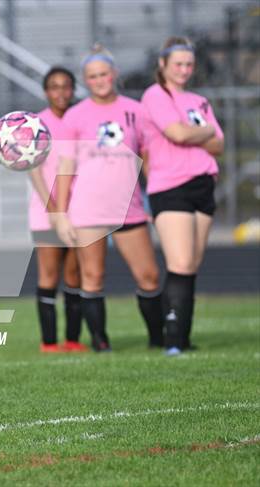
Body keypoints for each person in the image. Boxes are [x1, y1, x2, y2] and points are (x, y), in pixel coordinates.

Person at [54, 45, 164, 351]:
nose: (100, 80)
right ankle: (101, 344)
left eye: (104, 73)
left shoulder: (137, 109)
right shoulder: (75, 116)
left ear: (113, 74)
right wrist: (61, 214)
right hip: (88, 209)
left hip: (129, 209)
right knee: (92, 275)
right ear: (85, 81)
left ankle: (158, 341)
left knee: (149, 276)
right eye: (92, 76)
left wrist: (155, 195)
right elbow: (66, 166)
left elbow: (148, 154)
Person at [141, 37, 224, 356]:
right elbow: (177, 133)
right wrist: (203, 133)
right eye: (177, 64)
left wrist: (196, 134)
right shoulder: (155, 95)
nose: (184, 70)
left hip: (203, 184)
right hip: (170, 185)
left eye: (189, 64)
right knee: (181, 262)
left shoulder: (199, 101)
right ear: (163, 65)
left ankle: (182, 337)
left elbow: (219, 145)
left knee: (192, 264)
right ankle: (172, 340)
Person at [29, 67, 88, 353]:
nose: (61, 92)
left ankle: (73, 340)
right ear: (46, 91)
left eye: (66, 87)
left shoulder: (80, 120)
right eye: (54, 87)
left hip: (80, 211)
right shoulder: (38, 123)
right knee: (49, 276)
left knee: (75, 276)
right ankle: (49, 342)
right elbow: (35, 171)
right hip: (47, 211)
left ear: (73, 90)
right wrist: (54, 209)